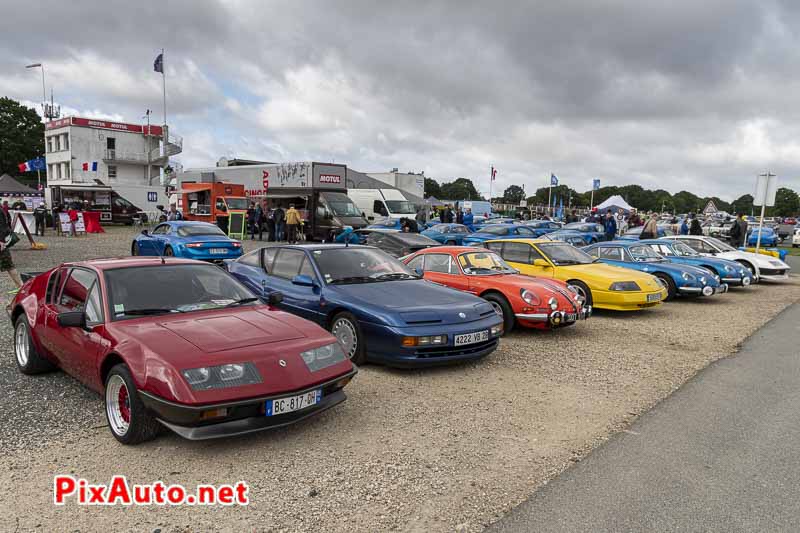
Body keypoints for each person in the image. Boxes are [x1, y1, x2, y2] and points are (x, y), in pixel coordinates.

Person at [0, 207, 22, 289]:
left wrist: (1, 240)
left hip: (1, 242)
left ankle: (21, 287)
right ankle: (20, 287)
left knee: (8, 265)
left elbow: (2, 226)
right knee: (9, 265)